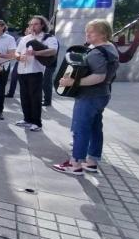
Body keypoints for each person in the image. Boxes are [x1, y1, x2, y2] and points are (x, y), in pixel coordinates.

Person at [52, 19, 119, 175]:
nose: (87, 34)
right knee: (95, 128)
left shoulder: (96, 52)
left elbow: (99, 76)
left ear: (103, 34)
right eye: (87, 31)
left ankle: (75, 164)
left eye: (92, 32)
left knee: (80, 129)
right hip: (102, 94)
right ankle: (92, 162)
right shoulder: (110, 48)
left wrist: (72, 81)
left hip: (90, 96)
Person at [14, 16, 58, 132]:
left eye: (36, 24)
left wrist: (35, 52)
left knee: (35, 98)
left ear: (42, 25)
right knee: (24, 97)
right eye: (31, 24)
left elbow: (53, 51)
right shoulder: (25, 38)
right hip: (22, 71)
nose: (32, 27)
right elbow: (16, 52)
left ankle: (37, 123)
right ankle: (27, 119)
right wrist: (19, 57)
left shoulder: (48, 37)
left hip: (35, 71)